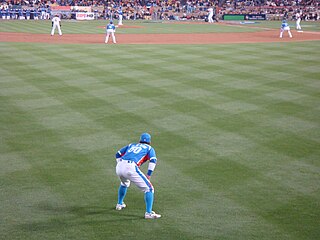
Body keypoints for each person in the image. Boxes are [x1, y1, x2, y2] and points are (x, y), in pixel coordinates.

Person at [115, 133, 161, 219]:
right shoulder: (149, 148)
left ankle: (119, 204)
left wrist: (121, 165)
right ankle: (148, 213)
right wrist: (149, 174)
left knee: (124, 184)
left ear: (140, 140)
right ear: (149, 141)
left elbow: (118, 154)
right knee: (149, 189)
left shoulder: (131, 145)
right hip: (130, 167)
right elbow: (153, 161)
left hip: (119, 166)